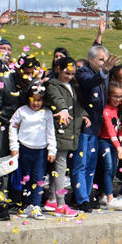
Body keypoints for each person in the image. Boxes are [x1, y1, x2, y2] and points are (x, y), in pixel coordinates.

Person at [72, 45, 119, 212]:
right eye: (100, 59)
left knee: (91, 165)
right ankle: (81, 199)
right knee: (80, 164)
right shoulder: (82, 72)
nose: (104, 63)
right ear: (90, 60)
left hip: (96, 129)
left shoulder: (102, 73)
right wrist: (104, 71)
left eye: (105, 60)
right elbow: (90, 82)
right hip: (83, 127)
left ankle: (87, 195)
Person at [8, 85, 57, 220]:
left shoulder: (47, 113)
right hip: (24, 150)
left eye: (39, 100)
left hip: (40, 152)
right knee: (26, 178)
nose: (35, 103)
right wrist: (14, 147)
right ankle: (28, 206)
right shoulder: (21, 111)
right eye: (33, 99)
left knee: (38, 179)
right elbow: (12, 127)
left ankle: (36, 205)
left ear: (44, 101)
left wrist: (52, 150)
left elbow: (50, 132)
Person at [44, 57, 84, 217]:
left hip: (70, 131)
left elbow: (77, 106)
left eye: (73, 74)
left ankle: (52, 199)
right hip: (59, 131)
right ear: (58, 69)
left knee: (59, 168)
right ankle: (61, 204)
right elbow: (57, 100)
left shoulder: (72, 85)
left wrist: (84, 115)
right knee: (60, 168)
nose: (69, 76)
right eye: (67, 73)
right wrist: (63, 109)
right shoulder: (53, 85)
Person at [96, 80, 122, 210]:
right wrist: (118, 147)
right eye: (115, 96)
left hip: (115, 142)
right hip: (105, 141)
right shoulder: (106, 110)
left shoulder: (119, 108)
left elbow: (119, 125)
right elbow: (109, 130)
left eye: (120, 96)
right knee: (108, 167)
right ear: (108, 95)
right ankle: (110, 198)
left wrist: (121, 136)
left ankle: (103, 194)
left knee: (113, 169)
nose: (118, 99)